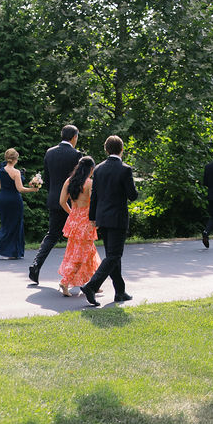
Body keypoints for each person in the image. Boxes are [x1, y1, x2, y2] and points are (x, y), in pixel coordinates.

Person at [80, 135, 138, 307]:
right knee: (114, 255)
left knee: (112, 256)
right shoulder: (125, 169)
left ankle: (120, 291)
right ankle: (91, 286)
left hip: (102, 217)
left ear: (106, 149)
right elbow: (132, 196)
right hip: (118, 217)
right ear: (122, 149)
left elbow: (95, 196)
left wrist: (92, 217)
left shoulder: (98, 169)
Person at [29, 125, 82, 284]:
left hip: (54, 198)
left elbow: (48, 178)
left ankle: (36, 265)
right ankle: (76, 277)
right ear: (74, 137)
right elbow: (77, 180)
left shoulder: (50, 152)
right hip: (71, 202)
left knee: (52, 235)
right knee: (76, 239)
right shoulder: (76, 154)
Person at [57, 156, 101, 296]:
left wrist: (72, 214)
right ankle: (65, 281)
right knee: (80, 254)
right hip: (86, 221)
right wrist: (95, 220)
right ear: (91, 169)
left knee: (89, 253)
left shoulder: (69, 181)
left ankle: (94, 283)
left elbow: (62, 202)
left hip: (74, 220)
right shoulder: (89, 183)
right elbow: (94, 204)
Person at [0, 148, 40, 259]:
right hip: (13, 199)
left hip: (2, 198)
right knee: (15, 224)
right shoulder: (16, 172)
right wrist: (33, 189)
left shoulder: (1, 171)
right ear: (15, 159)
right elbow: (20, 189)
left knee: (6, 223)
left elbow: (1, 186)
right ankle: (12, 252)